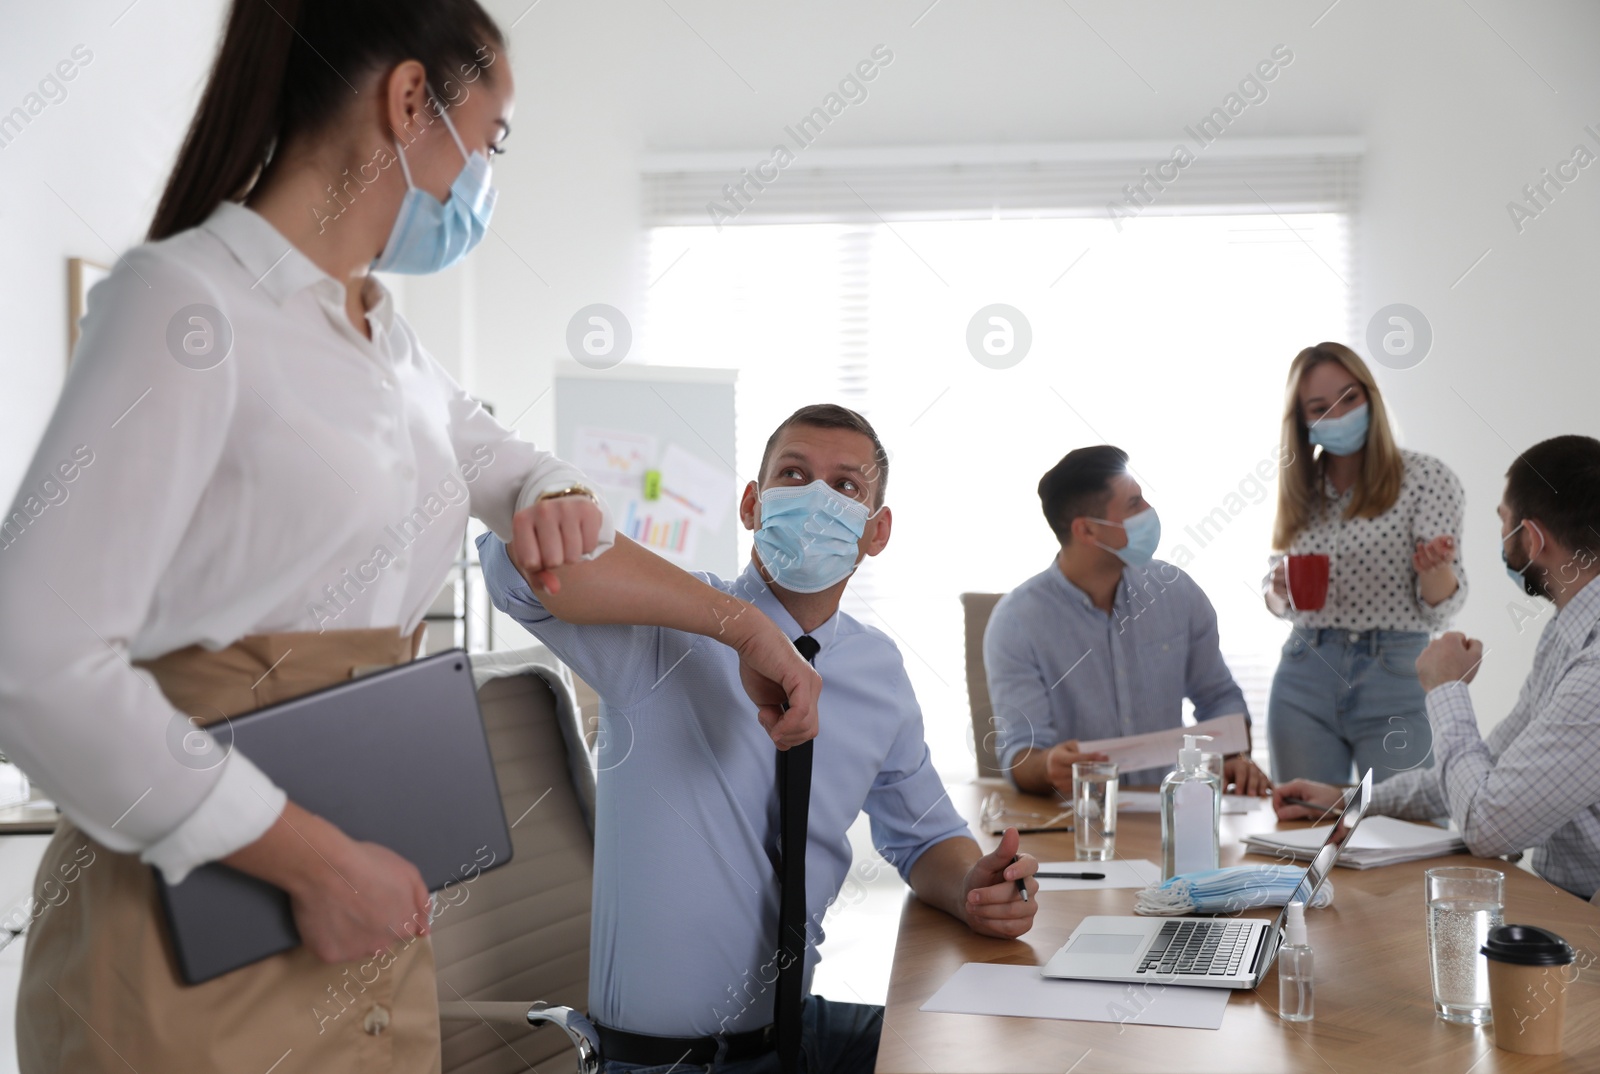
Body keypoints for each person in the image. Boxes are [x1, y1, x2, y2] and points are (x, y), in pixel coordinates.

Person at [0, 4, 816, 1071]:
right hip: (201, 924)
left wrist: (733, 624)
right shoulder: (186, 305)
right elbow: (29, 663)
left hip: (362, 919)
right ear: (407, 101)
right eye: (495, 135)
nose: (487, 170)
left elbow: (519, 476)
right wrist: (316, 863)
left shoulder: (380, 340)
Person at [479, 404, 1041, 1074]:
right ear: (752, 504)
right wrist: (743, 627)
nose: (816, 499)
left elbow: (924, 836)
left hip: (794, 1033)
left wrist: (974, 887)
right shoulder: (663, 625)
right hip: (667, 1061)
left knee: (998, 1053)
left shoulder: (877, 671)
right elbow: (520, 561)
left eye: (846, 487)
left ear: (877, 530)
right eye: (793, 475)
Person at [1275, 435, 1600, 900]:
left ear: (1532, 538)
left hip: (1583, 922)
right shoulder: (1567, 633)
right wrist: (1348, 801)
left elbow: (1489, 825)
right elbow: (1485, 773)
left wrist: (1447, 688)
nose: (1503, 538)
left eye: (1503, 524)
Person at [984, 445, 1270, 796]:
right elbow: (1019, 752)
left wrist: (1234, 756)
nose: (1150, 512)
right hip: (1080, 820)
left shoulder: (1177, 593)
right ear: (1087, 531)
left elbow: (1219, 697)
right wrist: (1047, 766)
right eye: (1134, 504)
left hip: (1172, 810)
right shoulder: (1016, 623)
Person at [1262, 342, 1468, 784]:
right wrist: (1277, 592)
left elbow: (1442, 608)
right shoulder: (1301, 487)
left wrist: (1433, 568)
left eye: (1349, 398)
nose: (1337, 415)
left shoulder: (1425, 478)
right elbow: (1280, 596)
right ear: (1302, 421)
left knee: (1407, 835)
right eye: (1319, 407)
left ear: (1370, 395)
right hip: (1305, 670)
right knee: (1304, 834)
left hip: (1395, 672)